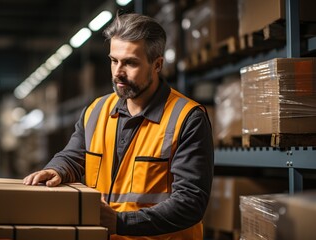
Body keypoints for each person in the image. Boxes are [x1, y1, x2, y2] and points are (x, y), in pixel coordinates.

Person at [23, 13, 214, 240]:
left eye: (130, 63)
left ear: (157, 64)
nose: (118, 73)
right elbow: (74, 155)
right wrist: (57, 169)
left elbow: (190, 203)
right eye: (114, 60)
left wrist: (120, 223)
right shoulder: (96, 111)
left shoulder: (187, 118)